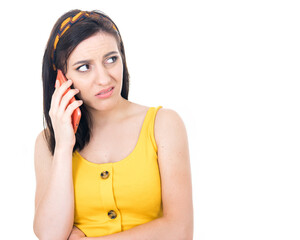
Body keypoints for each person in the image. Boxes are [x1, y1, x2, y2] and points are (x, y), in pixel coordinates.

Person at [33, 9, 193, 240]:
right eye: (84, 67)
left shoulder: (164, 125)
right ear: (61, 78)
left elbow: (180, 230)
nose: (104, 78)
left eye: (111, 59)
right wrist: (64, 146)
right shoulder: (49, 142)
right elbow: (50, 234)